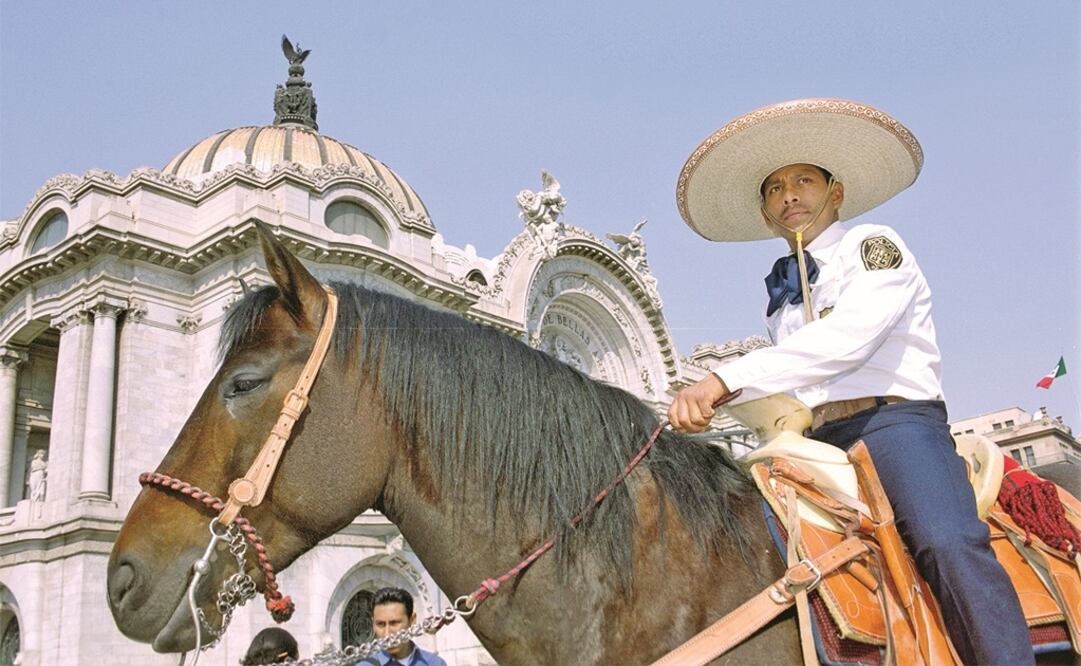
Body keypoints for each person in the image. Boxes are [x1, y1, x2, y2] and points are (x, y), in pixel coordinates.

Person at [668, 98, 1033, 665]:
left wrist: (722, 379)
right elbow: (796, 379)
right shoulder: (781, 298)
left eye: (803, 181)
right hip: (816, 440)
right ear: (766, 213)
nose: (788, 195)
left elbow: (847, 342)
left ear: (835, 192)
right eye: (774, 189)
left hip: (896, 425)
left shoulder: (874, 246)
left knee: (946, 541)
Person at [366, 587, 447, 666]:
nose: (387, 634)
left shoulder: (435, 663)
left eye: (394, 623)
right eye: (381, 624)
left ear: (412, 621)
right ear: (373, 624)